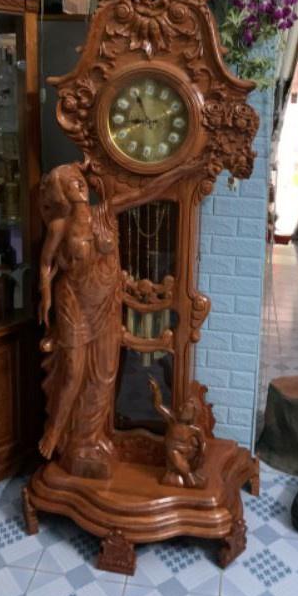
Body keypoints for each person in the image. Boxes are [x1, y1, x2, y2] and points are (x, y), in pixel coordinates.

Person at [37, 156, 200, 479]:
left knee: (104, 375)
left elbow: (144, 194)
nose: (79, 186)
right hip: (73, 304)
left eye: (79, 180)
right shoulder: (59, 226)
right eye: (70, 183)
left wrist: (180, 170)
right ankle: (54, 432)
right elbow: (45, 263)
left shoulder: (104, 212)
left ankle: (87, 440)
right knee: (73, 372)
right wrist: (45, 296)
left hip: (106, 305)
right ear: (62, 192)